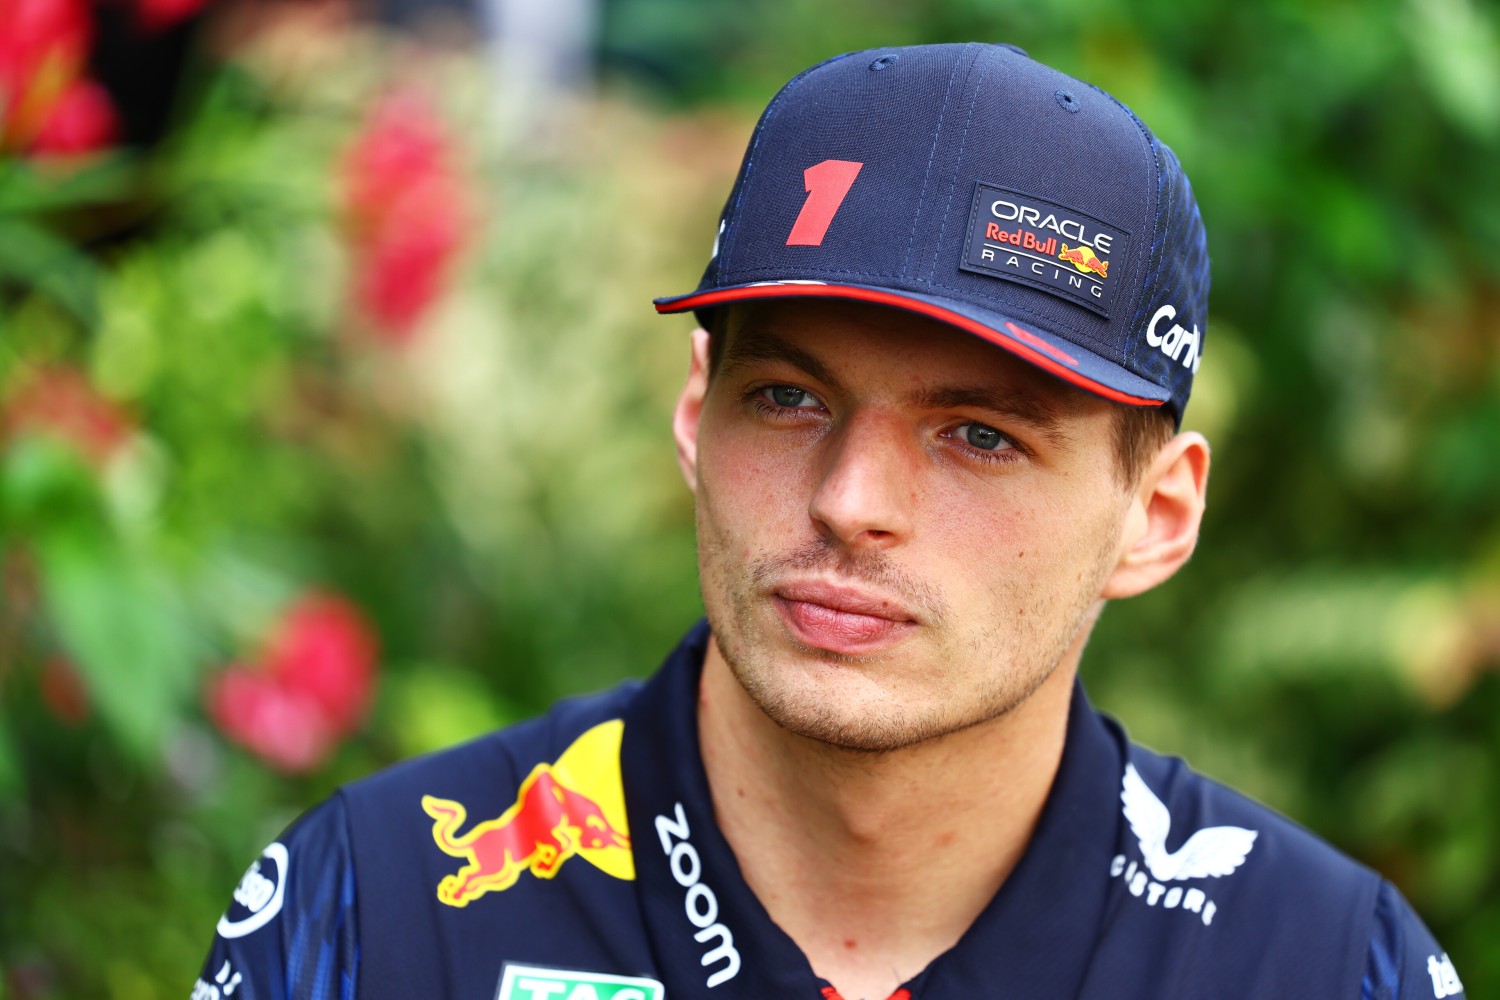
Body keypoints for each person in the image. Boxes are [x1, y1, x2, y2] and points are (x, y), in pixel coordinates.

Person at [194, 42, 1465, 1000]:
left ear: (1158, 513)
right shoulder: (380, 912)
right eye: (789, 396)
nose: (850, 502)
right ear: (697, 415)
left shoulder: (1320, 964)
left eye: (980, 435)